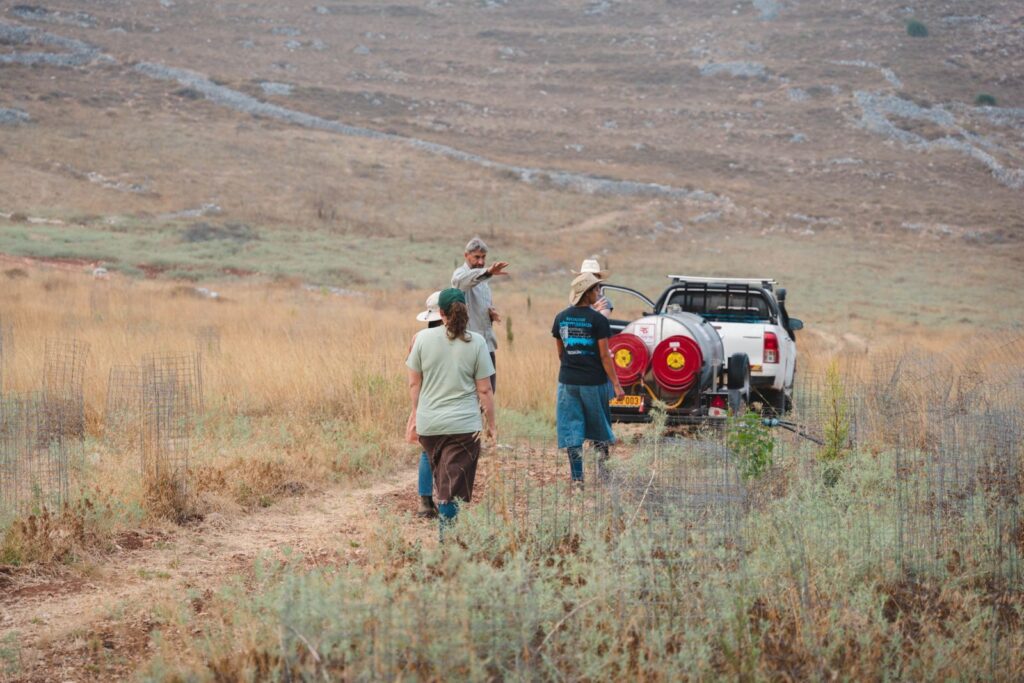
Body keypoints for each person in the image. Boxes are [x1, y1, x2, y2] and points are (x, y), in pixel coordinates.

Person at [407, 288, 496, 537]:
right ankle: (448, 543)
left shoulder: (422, 340)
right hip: (464, 426)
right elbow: (485, 390)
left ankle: (448, 535)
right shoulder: (476, 341)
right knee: (452, 487)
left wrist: (416, 413)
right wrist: (492, 425)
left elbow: (414, 383)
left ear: (440, 313)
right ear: (465, 311)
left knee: (443, 479)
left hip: (430, 424)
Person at [552, 272, 625, 488]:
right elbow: (604, 356)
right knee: (600, 427)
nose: (598, 293)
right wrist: (617, 384)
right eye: (595, 289)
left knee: (572, 429)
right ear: (586, 293)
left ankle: (577, 478)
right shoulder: (598, 320)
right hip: (594, 383)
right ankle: (604, 474)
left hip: (567, 382)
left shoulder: (561, 317)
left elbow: (560, 352)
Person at [451, 237, 509, 391]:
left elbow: (480, 303)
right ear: (466, 255)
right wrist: (488, 271)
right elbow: (461, 283)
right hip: (468, 345)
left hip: (487, 344)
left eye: (483, 257)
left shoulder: (484, 280)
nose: (481, 261)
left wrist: (490, 312)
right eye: (477, 257)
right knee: (472, 393)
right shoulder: (461, 274)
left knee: (489, 391)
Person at [406, 291, 443, 519]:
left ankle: (425, 501)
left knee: (427, 452)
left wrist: (416, 409)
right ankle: (448, 499)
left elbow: (414, 378)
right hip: (452, 403)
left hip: (426, 401)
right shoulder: (464, 337)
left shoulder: (418, 339)